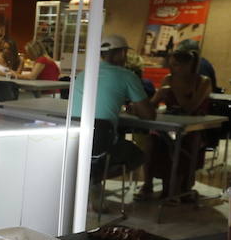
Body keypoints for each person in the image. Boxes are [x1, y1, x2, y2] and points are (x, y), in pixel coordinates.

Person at [69, 33, 156, 170]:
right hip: (102, 143)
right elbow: (149, 115)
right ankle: (98, 178)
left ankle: (94, 182)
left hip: (74, 143)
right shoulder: (128, 76)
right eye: (125, 52)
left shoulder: (83, 74)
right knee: (139, 154)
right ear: (121, 53)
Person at [138, 48, 213, 201]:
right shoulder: (168, 78)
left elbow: (190, 108)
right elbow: (151, 106)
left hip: (194, 128)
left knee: (180, 144)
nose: (172, 69)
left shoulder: (203, 82)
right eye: (171, 65)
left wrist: (175, 90)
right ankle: (148, 183)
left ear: (189, 65)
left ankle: (172, 186)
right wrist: (158, 96)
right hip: (171, 125)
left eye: (176, 65)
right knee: (152, 141)